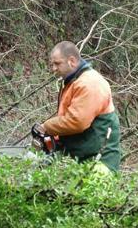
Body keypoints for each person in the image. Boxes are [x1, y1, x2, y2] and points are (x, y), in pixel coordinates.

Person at [39, 41, 121, 173]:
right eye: (52, 64)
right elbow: (66, 116)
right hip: (80, 157)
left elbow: (76, 122)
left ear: (71, 60)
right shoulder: (74, 81)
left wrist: (46, 127)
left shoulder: (89, 83)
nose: (53, 68)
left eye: (57, 63)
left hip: (99, 162)